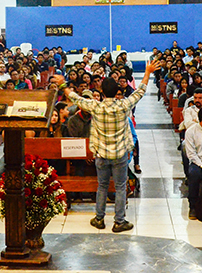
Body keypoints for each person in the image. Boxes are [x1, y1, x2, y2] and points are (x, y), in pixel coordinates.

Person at [53, 59, 160, 233]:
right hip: (119, 154)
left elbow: (75, 97)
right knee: (120, 187)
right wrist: (147, 72)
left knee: (102, 186)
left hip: (101, 155)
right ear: (117, 91)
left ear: (102, 91)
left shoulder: (96, 106)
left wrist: (62, 84)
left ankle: (99, 218)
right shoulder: (124, 105)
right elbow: (140, 91)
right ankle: (119, 221)